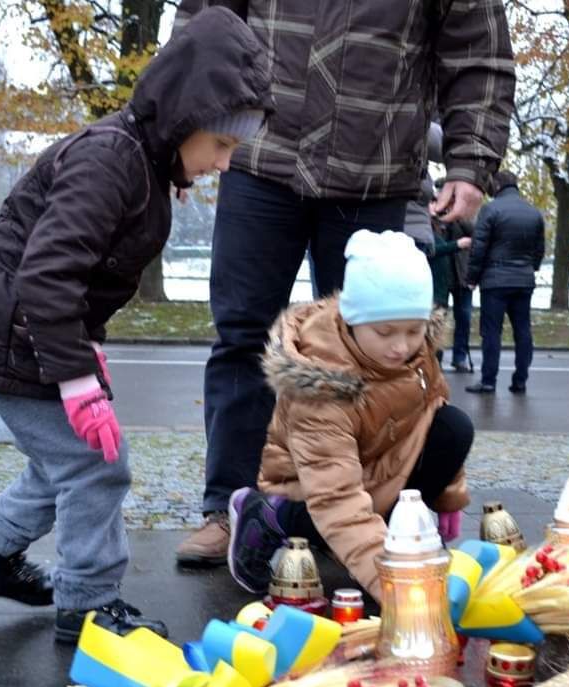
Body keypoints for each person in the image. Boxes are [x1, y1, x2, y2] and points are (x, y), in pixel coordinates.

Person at [0, 8, 271, 642]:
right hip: (1, 327)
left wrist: (87, 352)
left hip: (17, 327)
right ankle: (88, 604)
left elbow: (86, 279)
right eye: (220, 144)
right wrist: (77, 380)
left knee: (63, 458)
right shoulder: (113, 160)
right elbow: (50, 275)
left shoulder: (144, 163)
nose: (223, 162)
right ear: (186, 117)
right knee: (97, 463)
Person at [171, 0, 514, 568]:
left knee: (377, 353)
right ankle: (228, 509)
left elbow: (477, 54)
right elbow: (207, 24)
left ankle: (366, 511)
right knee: (242, 339)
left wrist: (469, 162)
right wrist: (181, 130)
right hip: (260, 155)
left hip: (374, 166)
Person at [226, 230, 472, 602]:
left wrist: (447, 496)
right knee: (327, 515)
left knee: (453, 427)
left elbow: (432, 409)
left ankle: (382, 532)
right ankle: (263, 515)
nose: (401, 346)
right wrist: (392, 584)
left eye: (413, 330)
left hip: (372, 469)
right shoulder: (322, 383)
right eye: (385, 331)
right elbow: (336, 499)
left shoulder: (417, 351)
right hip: (312, 487)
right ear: (353, 320)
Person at [465, 171, 545, 395]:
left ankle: (488, 380)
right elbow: (539, 249)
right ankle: (520, 380)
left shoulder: (490, 210)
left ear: (497, 184)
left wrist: (472, 278)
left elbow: (478, 247)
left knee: (491, 332)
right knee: (523, 330)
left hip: (495, 280)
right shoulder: (533, 213)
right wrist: (530, 267)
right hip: (523, 279)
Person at [431, 178, 475, 373]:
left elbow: (475, 233)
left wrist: (457, 214)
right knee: (438, 318)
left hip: (462, 274)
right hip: (441, 275)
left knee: (463, 317)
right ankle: (435, 358)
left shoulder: (463, 214)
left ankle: (460, 357)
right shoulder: (432, 215)